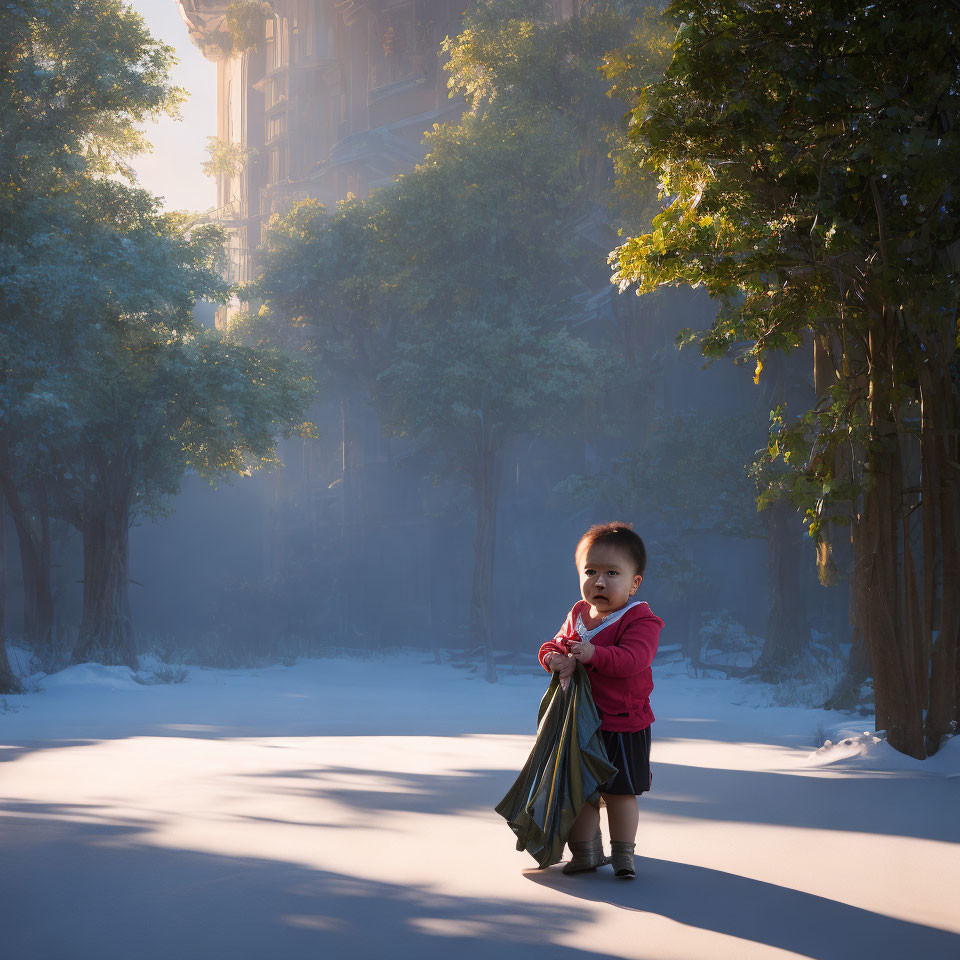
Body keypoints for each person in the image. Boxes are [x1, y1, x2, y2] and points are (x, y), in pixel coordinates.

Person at [538, 522, 664, 879]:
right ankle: (587, 852)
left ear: (634, 582)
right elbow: (555, 644)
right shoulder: (578, 615)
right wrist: (554, 659)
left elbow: (633, 660)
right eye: (590, 571)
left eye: (612, 573)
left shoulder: (640, 619)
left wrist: (593, 655)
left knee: (621, 792)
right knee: (582, 791)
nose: (599, 582)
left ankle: (624, 855)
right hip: (581, 723)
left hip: (623, 723)